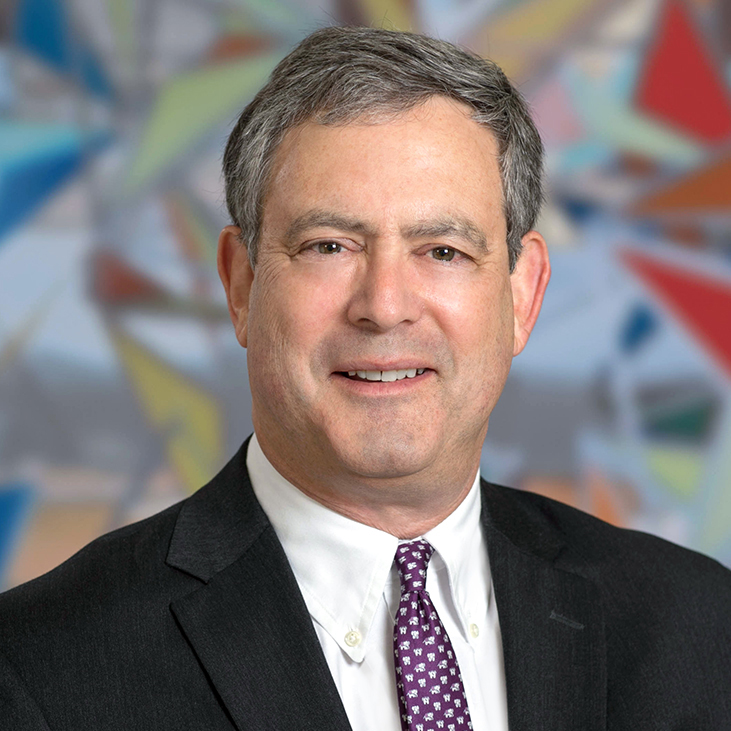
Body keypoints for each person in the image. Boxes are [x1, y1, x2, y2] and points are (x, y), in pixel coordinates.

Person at [1, 25, 730, 731]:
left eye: (441, 251)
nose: (383, 306)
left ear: (523, 294)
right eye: (329, 246)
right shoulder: (42, 668)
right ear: (240, 284)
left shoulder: (697, 627)